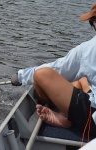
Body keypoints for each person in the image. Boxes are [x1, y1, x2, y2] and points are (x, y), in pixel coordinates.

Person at [11, 2, 96, 140]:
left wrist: (20, 76)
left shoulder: (89, 49)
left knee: (41, 74)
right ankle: (65, 114)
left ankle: (65, 118)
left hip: (92, 122)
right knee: (81, 79)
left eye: (92, 23)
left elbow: (58, 69)